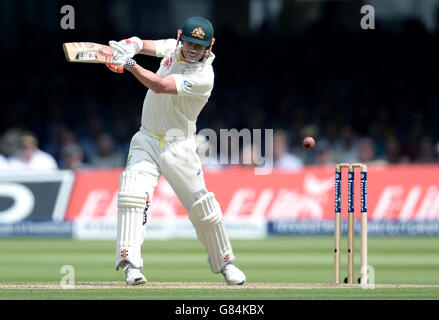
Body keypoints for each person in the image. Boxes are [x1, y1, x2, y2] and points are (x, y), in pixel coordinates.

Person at [105, 16, 245, 286]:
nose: (192, 50)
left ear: (210, 47)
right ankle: (131, 265)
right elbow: (148, 45)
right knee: (132, 195)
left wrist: (129, 64)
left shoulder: (204, 76)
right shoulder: (173, 47)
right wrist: (131, 44)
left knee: (203, 208)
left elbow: (160, 86)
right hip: (146, 138)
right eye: (189, 43)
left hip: (178, 144)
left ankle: (226, 264)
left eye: (199, 46)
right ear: (181, 38)